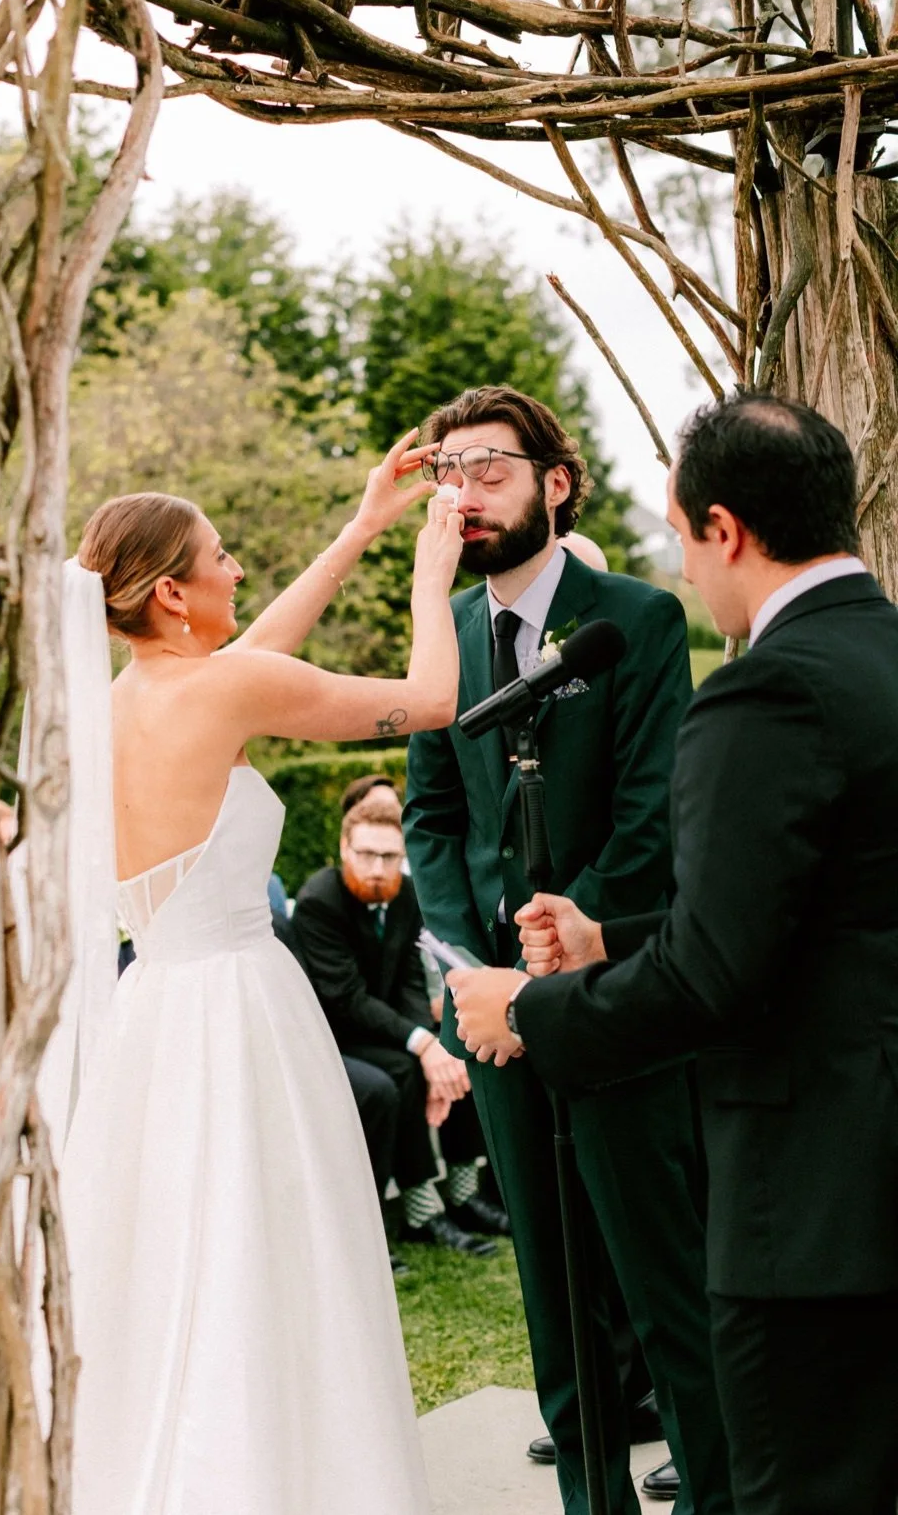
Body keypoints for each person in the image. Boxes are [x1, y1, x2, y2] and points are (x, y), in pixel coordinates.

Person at [454, 393, 898, 1515]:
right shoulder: (880, 657)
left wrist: (531, 1010)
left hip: (817, 1206)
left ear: (724, 529)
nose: (682, 565)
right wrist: (614, 934)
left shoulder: (765, 692)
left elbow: (715, 977)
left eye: (679, 535)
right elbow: (831, 909)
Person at [58, 429, 462, 1513]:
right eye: (222, 554)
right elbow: (429, 697)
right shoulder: (224, 693)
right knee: (267, 1255)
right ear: (173, 595)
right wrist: (431, 563)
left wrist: (361, 523)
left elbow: (260, 646)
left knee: (169, 1261)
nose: (238, 569)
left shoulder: (110, 708)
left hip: (153, 1011)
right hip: (240, 1014)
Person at [402, 384, 725, 1513]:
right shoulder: (443, 635)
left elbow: (654, 815)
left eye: (488, 466)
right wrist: (469, 962)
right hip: (488, 1009)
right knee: (548, 1279)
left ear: (555, 480)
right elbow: (431, 816)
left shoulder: (631, 619)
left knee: (657, 1274)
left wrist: (560, 943)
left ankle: (714, 1490)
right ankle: (591, 1494)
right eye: (446, 472)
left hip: (613, 991)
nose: (463, 490)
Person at [293, 781, 506, 1258]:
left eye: (389, 857)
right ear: (343, 848)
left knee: (456, 1052)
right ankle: (420, 1210)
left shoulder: (406, 894)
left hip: (385, 1028)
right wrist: (418, 1043)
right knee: (406, 1073)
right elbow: (345, 999)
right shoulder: (319, 900)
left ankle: (464, 1192)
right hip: (336, 1035)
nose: (376, 869)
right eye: (366, 854)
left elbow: (412, 978)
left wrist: (433, 1042)